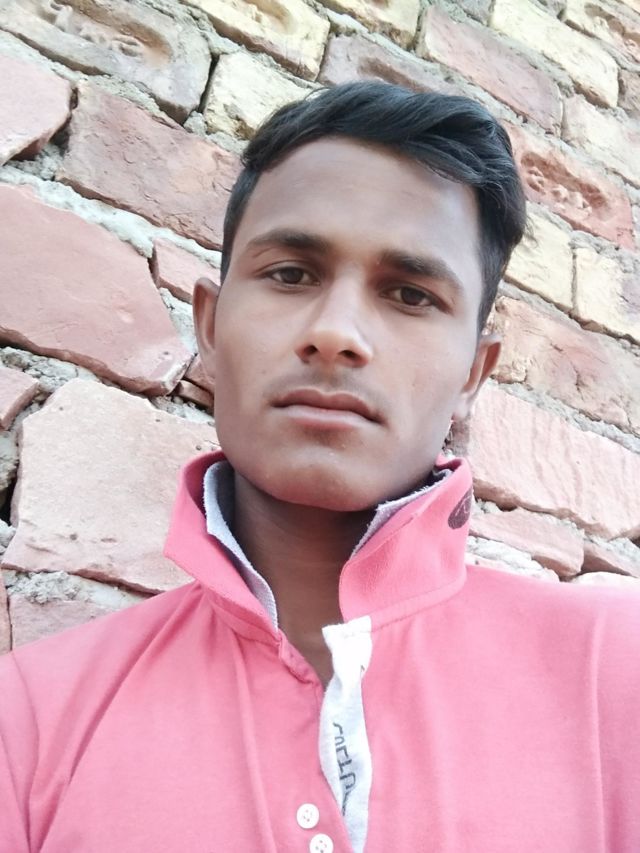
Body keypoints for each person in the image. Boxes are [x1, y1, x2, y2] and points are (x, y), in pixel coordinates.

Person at [0, 82, 638, 853]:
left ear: (474, 372)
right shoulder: (30, 721)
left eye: (410, 294)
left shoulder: (616, 672)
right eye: (291, 274)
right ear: (210, 325)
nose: (336, 333)